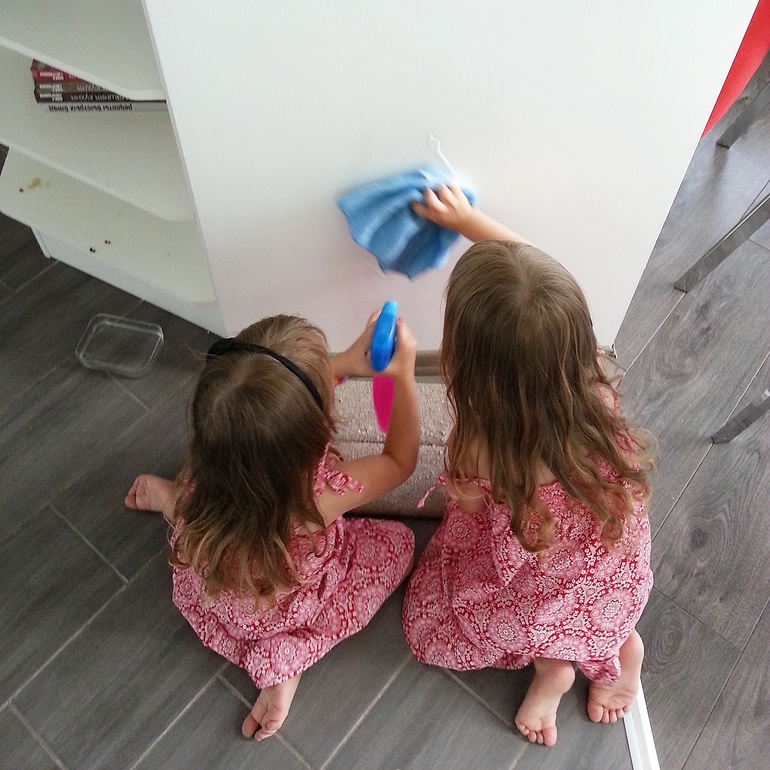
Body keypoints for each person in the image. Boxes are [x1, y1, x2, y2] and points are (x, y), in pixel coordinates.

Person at [402, 186, 655, 747]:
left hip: (536, 576)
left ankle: (553, 668)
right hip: (610, 569)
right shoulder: (586, 374)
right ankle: (619, 647)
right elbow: (535, 287)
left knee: (432, 623)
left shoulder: (479, 444)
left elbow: (469, 506)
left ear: (465, 364)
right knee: (590, 606)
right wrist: (469, 221)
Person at [126, 312, 419, 741]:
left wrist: (341, 363)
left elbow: (271, 403)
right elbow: (399, 461)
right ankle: (284, 660)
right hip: (281, 605)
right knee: (399, 544)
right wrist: (404, 376)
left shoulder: (216, 452)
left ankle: (172, 501)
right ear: (312, 435)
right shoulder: (318, 498)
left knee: (192, 512)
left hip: (217, 583)